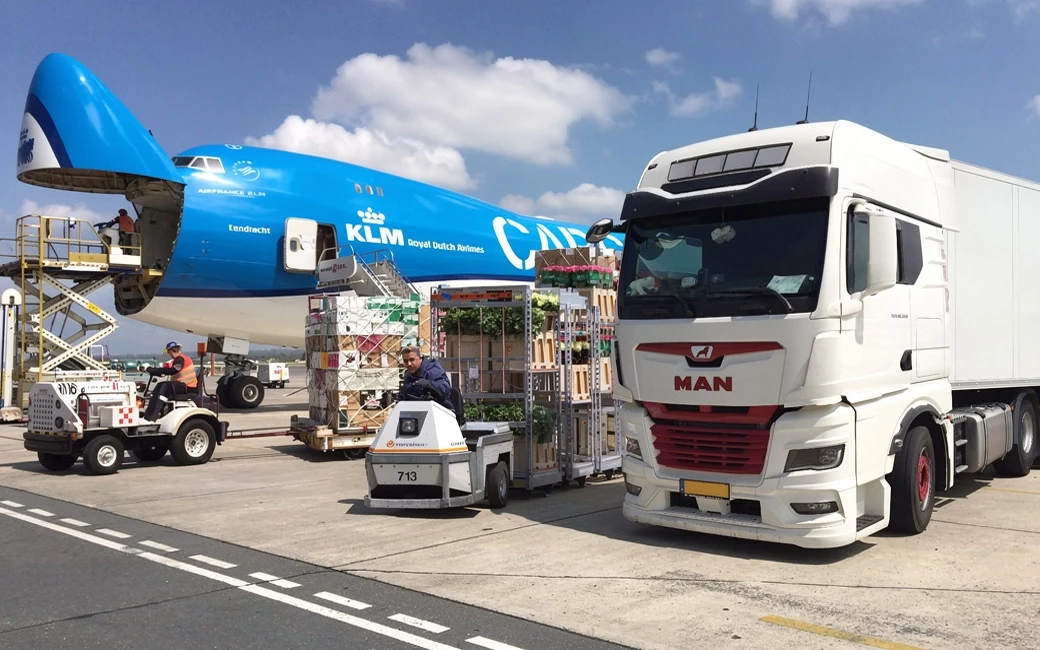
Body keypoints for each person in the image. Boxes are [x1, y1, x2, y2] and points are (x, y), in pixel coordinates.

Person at [142, 341, 198, 421]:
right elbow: (167, 369)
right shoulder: (178, 360)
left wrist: (152, 370)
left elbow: (174, 370)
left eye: (169, 352)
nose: (169, 354)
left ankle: (152, 416)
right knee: (160, 385)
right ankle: (153, 413)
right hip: (183, 385)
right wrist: (156, 371)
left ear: (173, 351)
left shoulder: (180, 359)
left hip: (188, 386)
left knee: (164, 387)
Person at [398, 345, 454, 414]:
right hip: (415, 414)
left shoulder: (433, 370)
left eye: (412, 359)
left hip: (440, 412)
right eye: (405, 361)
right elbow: (402, 397)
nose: (409, 364)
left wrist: (428, 384)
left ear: (420, 358)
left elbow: (445, 390)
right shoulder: (408, 375)